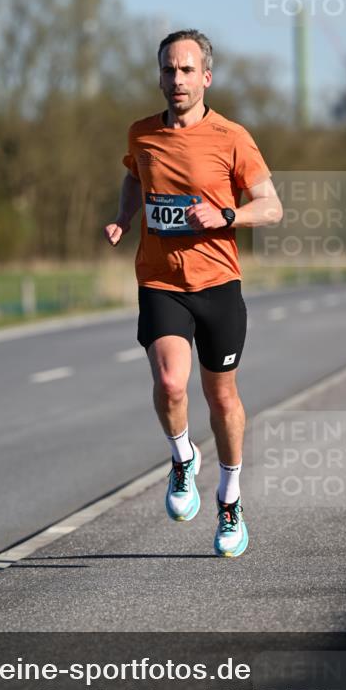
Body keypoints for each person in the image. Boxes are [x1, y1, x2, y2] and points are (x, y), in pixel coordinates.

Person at [104, 29, 282, 557]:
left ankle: (230, 499)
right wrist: (123, 215)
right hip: (160, 280)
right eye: (167, 70)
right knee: (170, 383)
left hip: (218, 284)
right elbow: (136, 177)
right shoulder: (141, 134)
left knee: (221, 396)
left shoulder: (232, 136)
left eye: (186, 70)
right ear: (158, 75)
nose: (175, 79)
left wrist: (228, 214)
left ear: (206, 76)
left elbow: (271, 206)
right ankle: (182, 458)